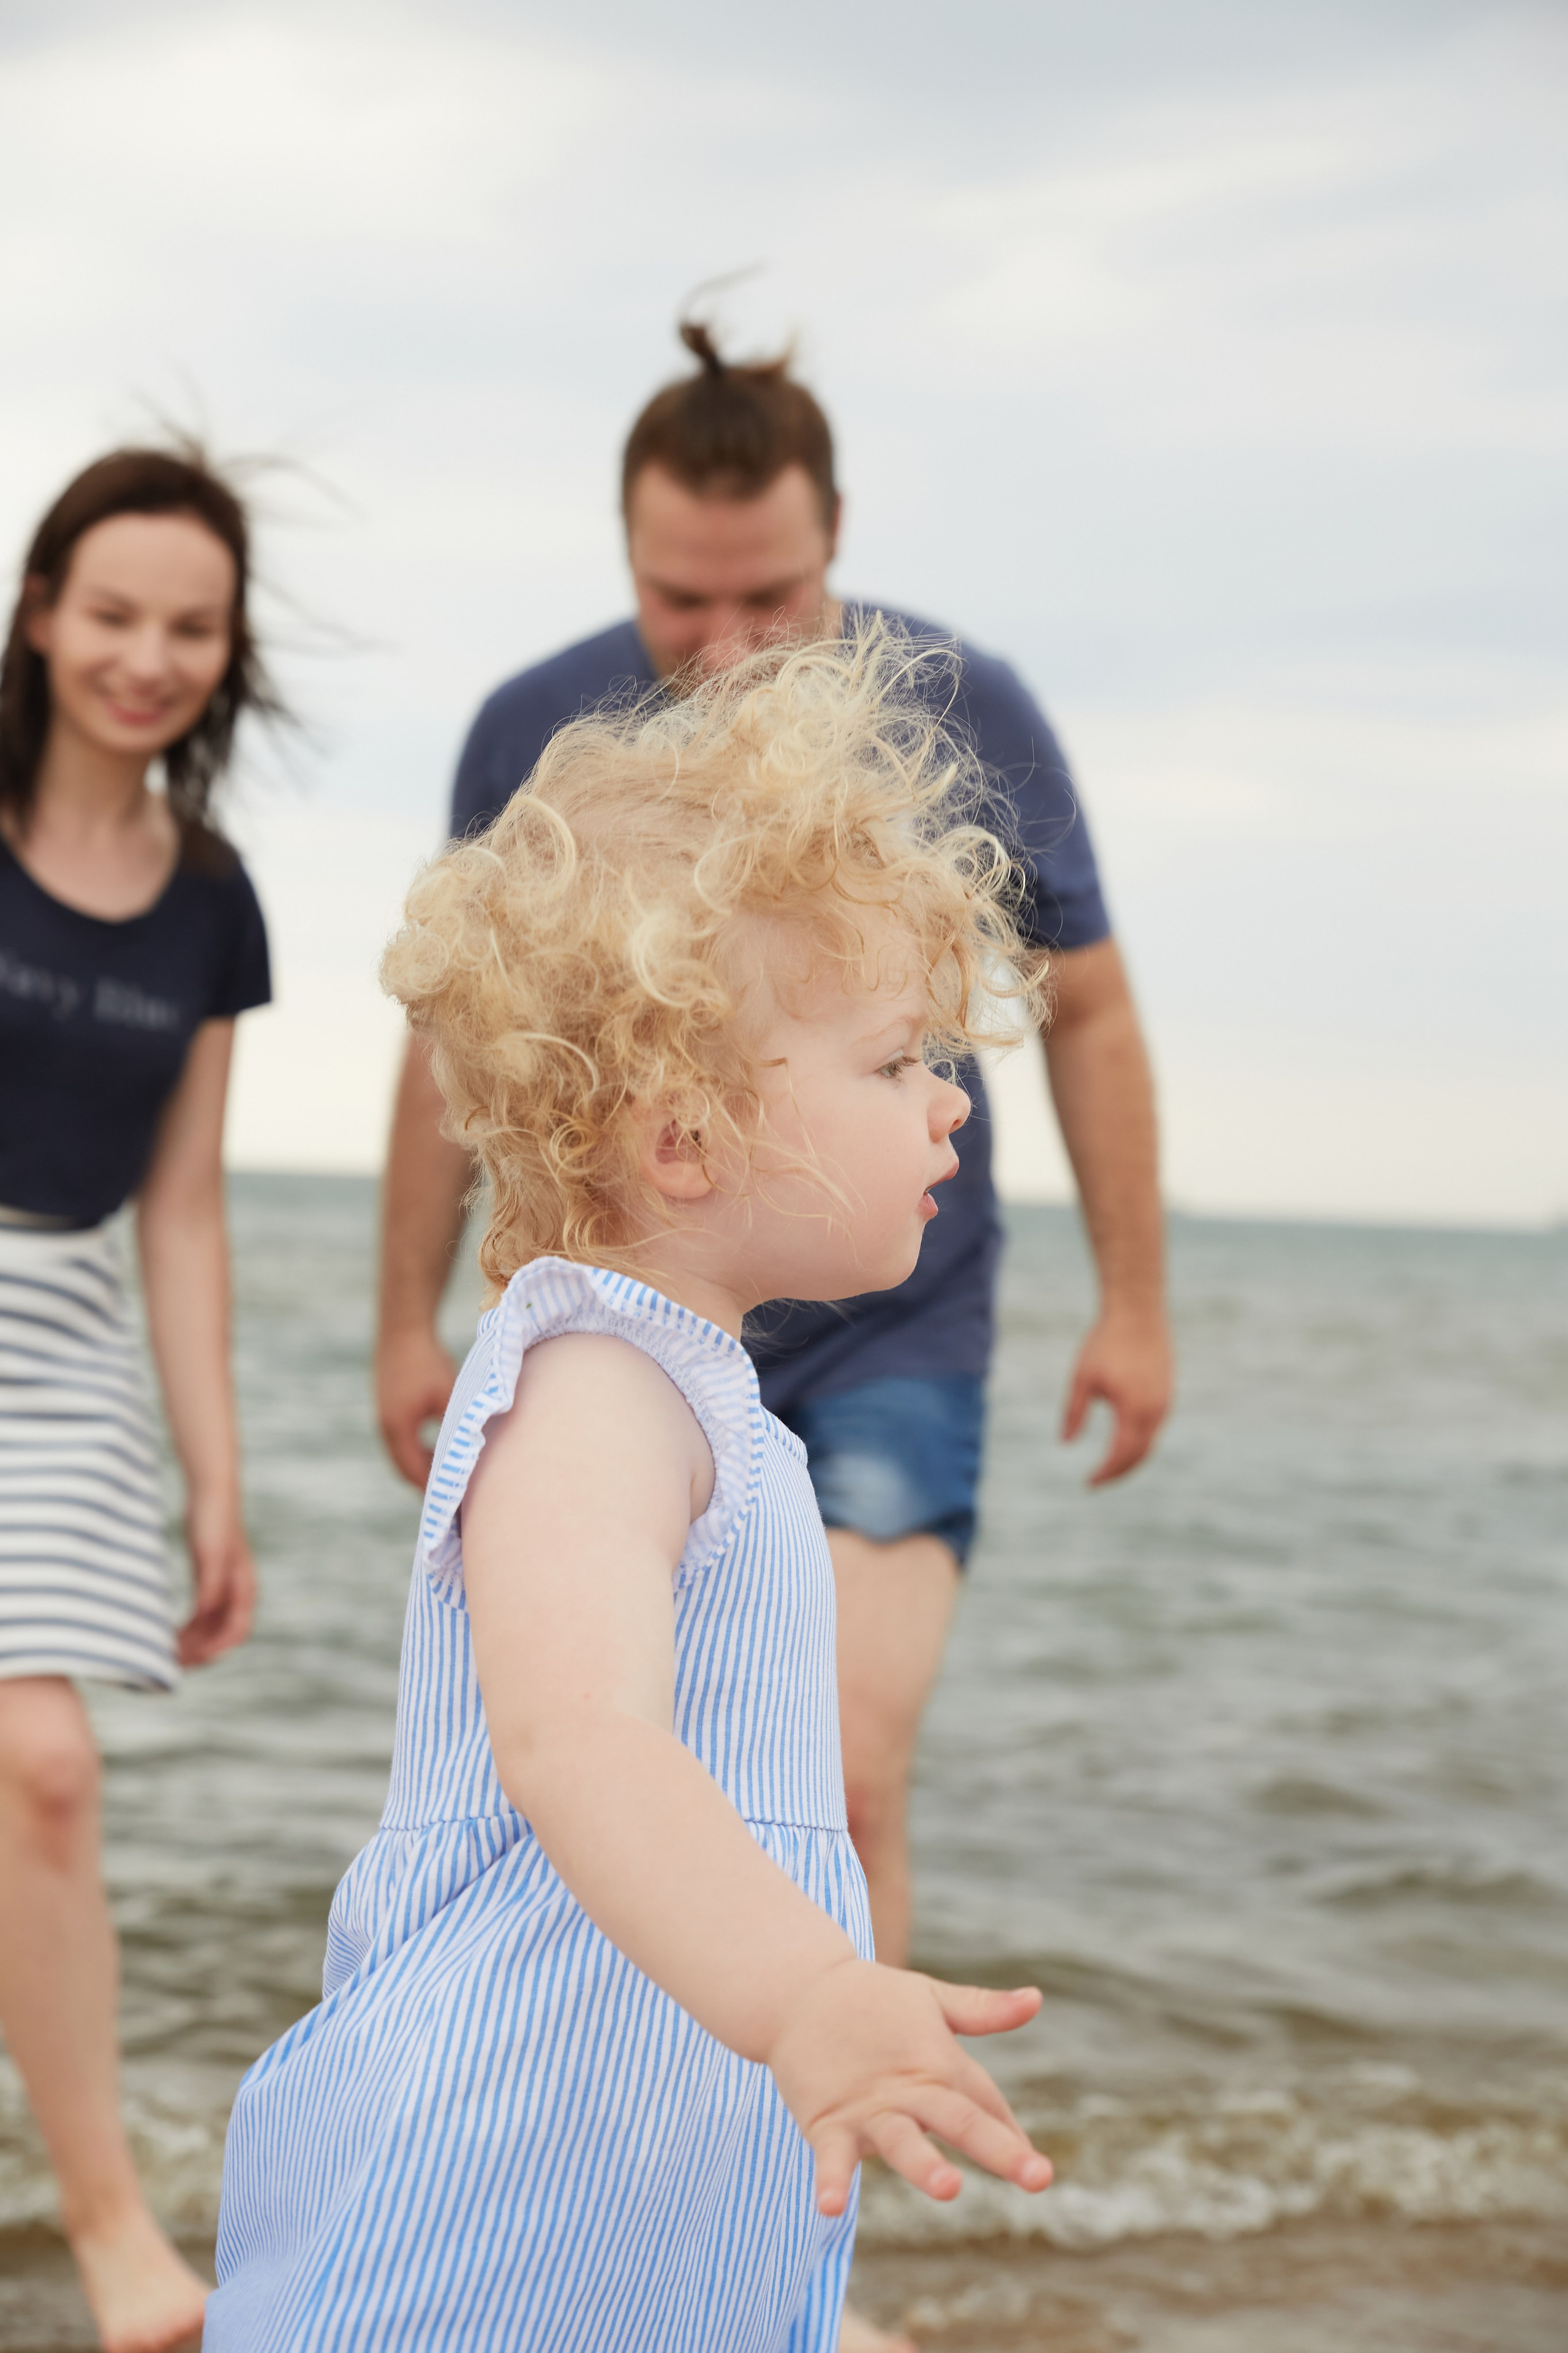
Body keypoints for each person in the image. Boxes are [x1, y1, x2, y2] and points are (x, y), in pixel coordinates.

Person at [209, 624, 1053, 2353]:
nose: (948, 1109)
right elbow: (579, 1741)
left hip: (649, 2121)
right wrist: (807, 1992)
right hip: (514, 2142)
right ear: (686, 1141)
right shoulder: (596, 1383)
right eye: (895, 1061)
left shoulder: (696, 1386)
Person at [377, 323, 1173, 1974]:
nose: (730, 643)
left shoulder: (967, 710)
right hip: (627, 1306)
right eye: (683, 600)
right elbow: (457, 1040)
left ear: (836, 538)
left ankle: (844, 2112)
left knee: (840, 1780)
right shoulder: (532, 727)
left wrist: (1137, 1304)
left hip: (891, 1317)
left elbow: (1088, 1010)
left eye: (774, 596)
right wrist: (404, 1320)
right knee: (603, 1775)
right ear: (627, 550)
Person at [0, 447, 276, 2353]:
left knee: (45, 1768)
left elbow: (184, 1208)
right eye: (112, 613)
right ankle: (108, 2229)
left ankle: (111, 2232)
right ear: (41, 613)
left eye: (189, 626)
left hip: (69, 1332)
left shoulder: (213, 898)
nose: (146, 657)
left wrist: (215, 1476)